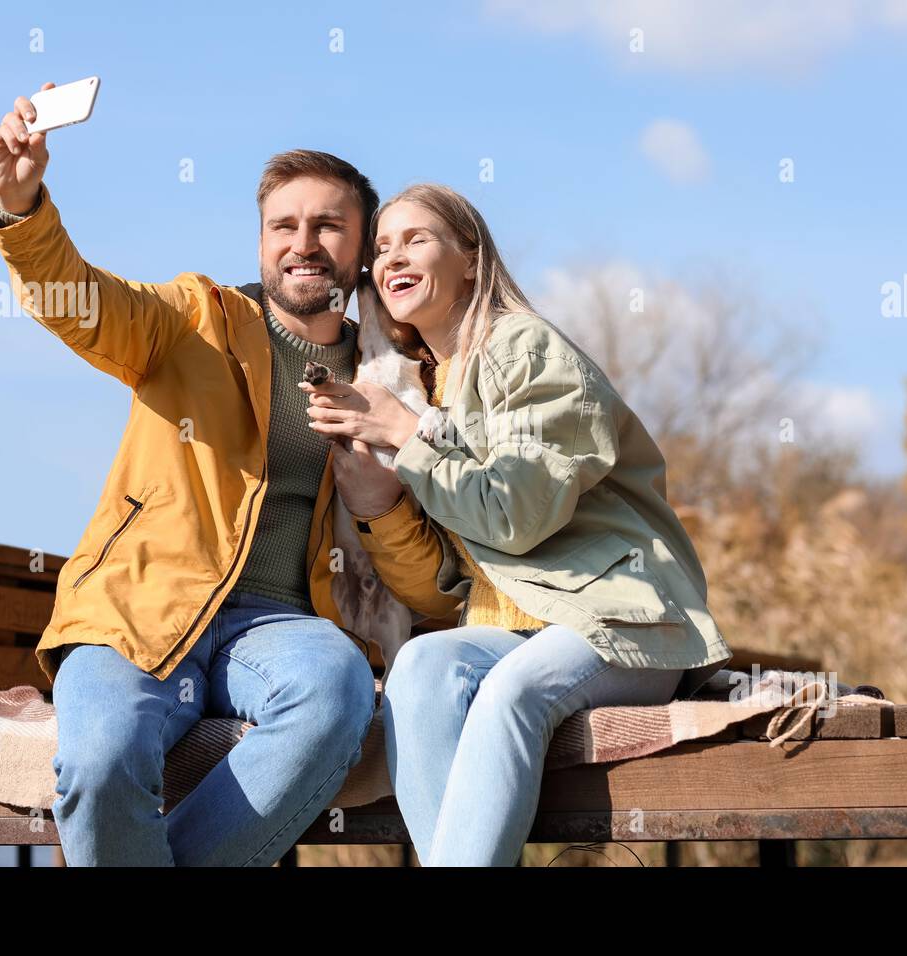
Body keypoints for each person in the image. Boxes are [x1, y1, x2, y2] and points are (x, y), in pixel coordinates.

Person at [0, 84, 461, 865]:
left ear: (363, 246)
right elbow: (77, 300)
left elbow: (431, 585)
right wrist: (22, 205)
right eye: (284, 225)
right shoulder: (192, 320)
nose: (303, 242)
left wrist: (379, 508)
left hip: (281, 630)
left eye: (328, 225)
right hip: (140, 608)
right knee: (99, 764)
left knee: (339, 688)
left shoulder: (401, 385)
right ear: (263, 238)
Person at [301, 183, 733, 866]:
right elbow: (443, 583)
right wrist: (375, 500)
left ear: (471, 259)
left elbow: (513, 514)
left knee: (511, 694)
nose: (392, 258)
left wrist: (407, 437)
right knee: (419, 665)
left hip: (620, 620)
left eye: (417, 238)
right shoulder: (430, 387)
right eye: (381, 248)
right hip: (516, 628)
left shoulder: (526, 350)